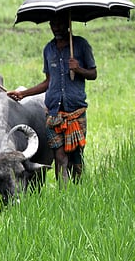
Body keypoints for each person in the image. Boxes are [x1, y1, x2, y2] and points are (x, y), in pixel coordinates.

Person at [7, 11, 97, 182]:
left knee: (76, 158)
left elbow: (93, 74)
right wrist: (22, 94)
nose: (56, 28)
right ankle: (63, 192)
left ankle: (78, 189)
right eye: (53, 25)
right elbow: (48, 81)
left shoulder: (81, 45)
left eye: (59, 24)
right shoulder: (48, 49)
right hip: (53, 113)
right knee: (60, 156)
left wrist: (78, 69)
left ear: (68, 24)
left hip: (75, 112)